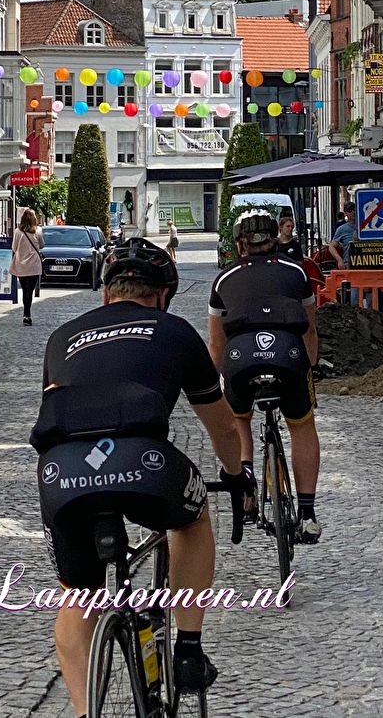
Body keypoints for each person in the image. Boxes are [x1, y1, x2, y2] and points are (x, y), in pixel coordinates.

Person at [32, 238, 249, 711]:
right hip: (143, 463)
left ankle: (85, 710)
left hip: (61, 472)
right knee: (192, 519)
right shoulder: (173, 330)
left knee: (78, 597)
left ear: (107, 294)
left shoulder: (61, 337)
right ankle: (188, 649)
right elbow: (225, 429)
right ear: (163, 295)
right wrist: (236, 477)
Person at [208, 209, 321, 544]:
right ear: (275, 239)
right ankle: (308, 512)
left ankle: (246, 490)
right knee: (301, 426)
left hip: (240, 359)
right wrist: (310, 367)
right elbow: (310, 329)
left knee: (238, 420)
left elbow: (216, 344)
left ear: (240, 244)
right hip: (288, 354)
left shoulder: (223, 280)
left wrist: (213, 386)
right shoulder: (297, 272)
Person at [10, 208, 43, 325]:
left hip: (21, 264)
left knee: (25, 290)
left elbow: (14, 248)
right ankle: (27, 315)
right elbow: (42, 245)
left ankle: (26, 314)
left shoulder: (17, 232)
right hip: (34, 264)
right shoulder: (38, 230)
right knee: (30, 290)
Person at [328, 201, 357, 270]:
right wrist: (339, 260)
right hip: (349, 265)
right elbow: (331, 246)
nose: (353, 212)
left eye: (355, 210)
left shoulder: (367, 227)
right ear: (345, 213)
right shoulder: (342, 229)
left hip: (366, 264)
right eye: (350, 210)